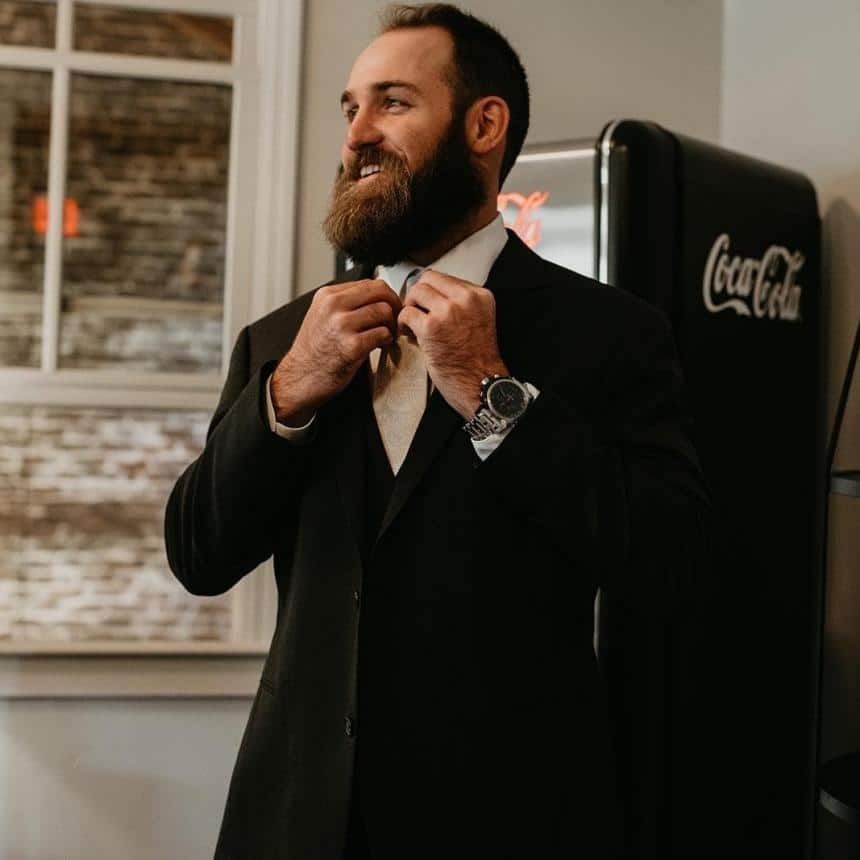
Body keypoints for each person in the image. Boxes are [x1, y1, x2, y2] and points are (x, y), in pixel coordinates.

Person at [164, 4, 713, 858]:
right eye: (351, 108)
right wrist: (289, 394)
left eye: (392, 102)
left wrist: (494, 394)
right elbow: (198, 554)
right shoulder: (281, 342)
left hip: (511, 819)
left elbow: (670, 564)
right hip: (298, 820)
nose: (357, 136)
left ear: (483, 125)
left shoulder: (611, 334)